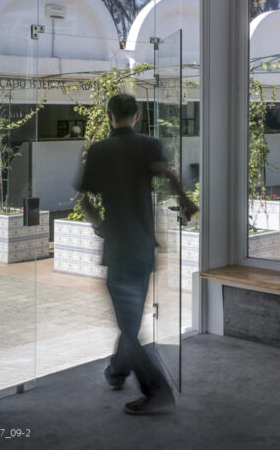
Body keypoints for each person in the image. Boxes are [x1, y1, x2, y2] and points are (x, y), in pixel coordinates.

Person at [74, 93, 197, 416]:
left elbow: (84, 202)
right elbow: (168, 174)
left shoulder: (99, 151)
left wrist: (100, 225)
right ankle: (116, 371)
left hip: (118, 249)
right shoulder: (148, 145)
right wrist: (186, 200)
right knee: (129, 320)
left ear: (109, 116)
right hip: (144, 249)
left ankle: (156, 391)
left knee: (128, 327)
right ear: (138, 115)